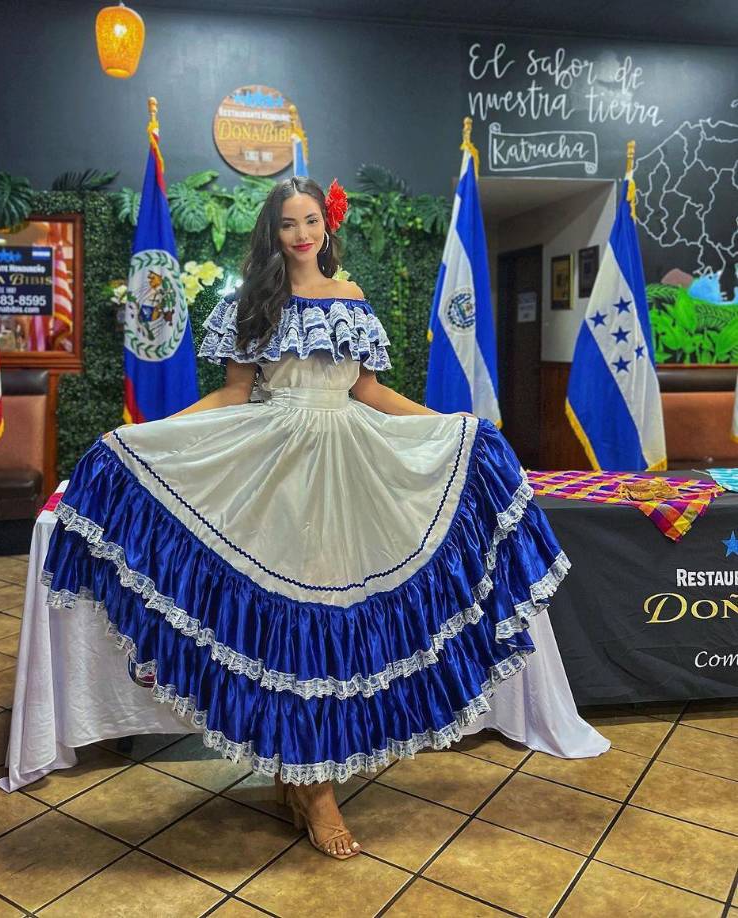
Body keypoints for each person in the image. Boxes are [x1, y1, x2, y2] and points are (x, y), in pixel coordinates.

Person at [42, 176, 570, 860]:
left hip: (351, 466)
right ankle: (313, 787)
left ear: (325, 227)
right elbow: (233, 394)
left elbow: (369, 390)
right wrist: (151, 436)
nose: (300, 233)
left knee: (334, 623)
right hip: (275, 469)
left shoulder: (351, 300)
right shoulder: (249, 303)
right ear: (273, 231)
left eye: (310, 220)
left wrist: (450, 425)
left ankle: (304, 776)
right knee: (286, 625)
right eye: (288, 223)